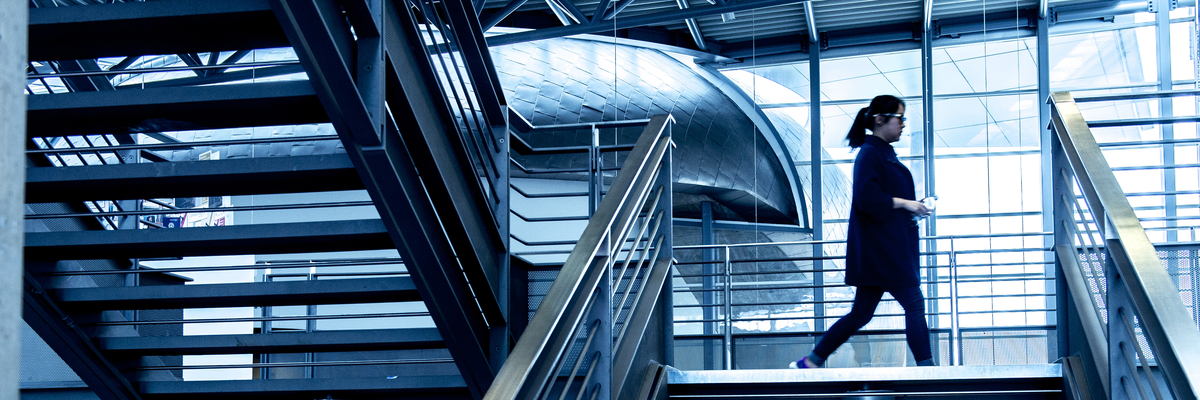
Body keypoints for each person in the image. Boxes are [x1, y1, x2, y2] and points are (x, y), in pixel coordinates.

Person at [790, 94, 935, 369]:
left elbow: (877, 199)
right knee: (914, 305)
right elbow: (868, 198)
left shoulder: (879, 153)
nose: (903, 124)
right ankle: (926, 368)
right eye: (900, 118)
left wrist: (911, 208)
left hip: (881, 251)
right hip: (886, 252)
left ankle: (811, 360)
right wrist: (907, 204)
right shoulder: (870, 154)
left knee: (861, 314)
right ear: (881, 120)